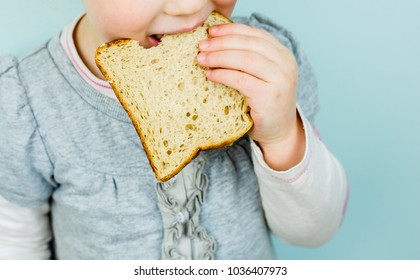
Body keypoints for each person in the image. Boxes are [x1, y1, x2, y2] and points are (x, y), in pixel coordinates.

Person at [0, 0, 348, 260]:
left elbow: (314, 232)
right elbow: (15, 247)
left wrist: (282, 135)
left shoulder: (265, 70)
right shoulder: (28, 100)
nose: (190, 5)